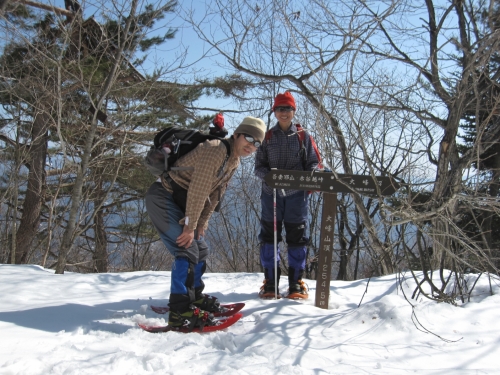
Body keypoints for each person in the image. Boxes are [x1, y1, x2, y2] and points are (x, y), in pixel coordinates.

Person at [146, 116, 266, 329]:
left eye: (257, 143)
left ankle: (194, 297)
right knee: (186, 248)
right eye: (249, 138)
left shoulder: (233, 159)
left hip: (180, 201)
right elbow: (199, 190)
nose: (252, 145)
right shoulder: (216, 150)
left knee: (200, 249)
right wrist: (190, 226)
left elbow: (216, 193)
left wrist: (202, 223)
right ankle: (179, 310)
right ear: (237, 135)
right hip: (163, 197)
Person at [255, 91, 319, 299]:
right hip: (270, 195)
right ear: (275, 111)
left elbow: (313, 163)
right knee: (269, 238)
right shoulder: (267, 137)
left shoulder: (303, 136)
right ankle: (270, 282)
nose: (284, 113)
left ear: (294, 111)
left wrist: (311, 175)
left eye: (288, 109)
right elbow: (258, 167)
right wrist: (270, 177)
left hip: (296, 197)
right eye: (280, 109)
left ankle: (296, 283)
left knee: (297, 238)